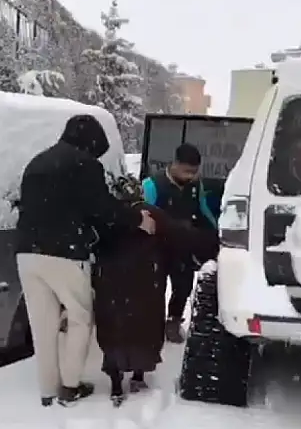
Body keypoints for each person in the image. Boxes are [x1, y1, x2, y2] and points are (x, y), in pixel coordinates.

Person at [15, 114, 156, 407]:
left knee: (42, 325)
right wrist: (138, 220)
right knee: (80, 318)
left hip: (27, 253)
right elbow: (103, 209)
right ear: (92, 142)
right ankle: (69, 386)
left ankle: (47, 390)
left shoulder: (37, 163)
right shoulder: (83, 164)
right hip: (65, 253)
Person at [93, 174, 219, 406]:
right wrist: (213, 245)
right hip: (146, 281)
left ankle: (115, 382)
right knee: (144, 326)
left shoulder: (106, 217)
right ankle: (138, 375)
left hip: (110, 282)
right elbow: (181, 236)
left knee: (114, 328)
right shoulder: (153, 214)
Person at [141, 143, 217, 344]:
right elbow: (143, 216)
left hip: (183, 246)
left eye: (194, 172)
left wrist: (214, 232)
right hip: (156, 247)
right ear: (174, 164)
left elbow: (203, 211)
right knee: (154, 288)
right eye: (186, 171)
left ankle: (173, 322)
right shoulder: (152, 185)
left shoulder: (195, 186)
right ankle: (150, 324)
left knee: (183, 286)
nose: (190, 176)